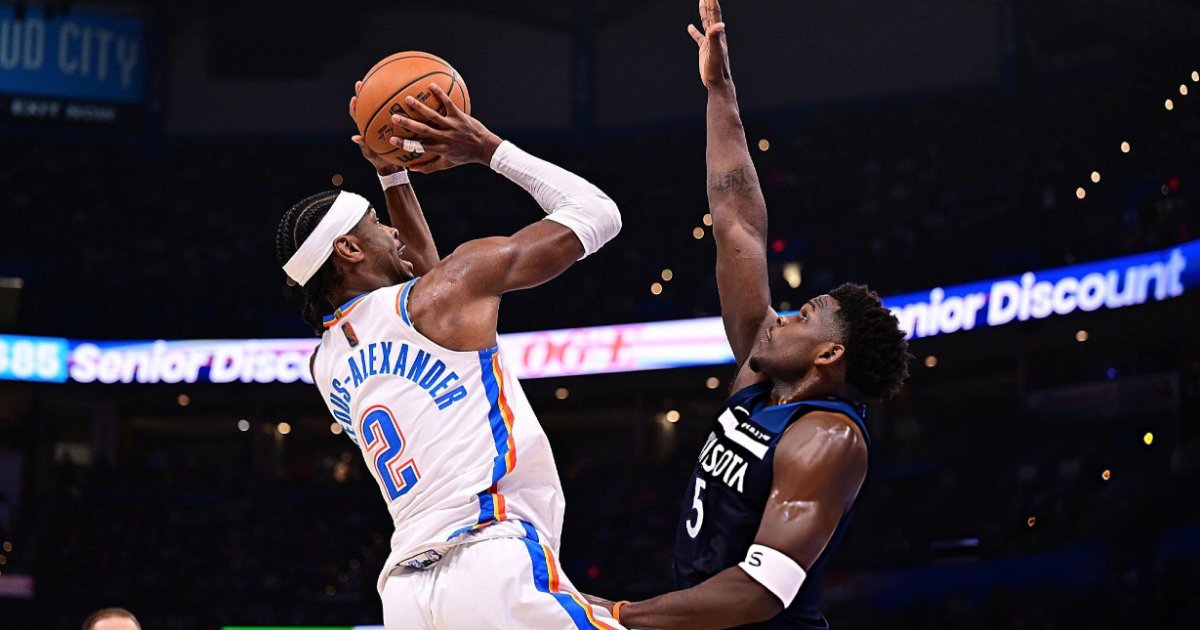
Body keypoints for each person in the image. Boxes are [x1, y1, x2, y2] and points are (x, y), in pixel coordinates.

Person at [590, 2, 911, 628]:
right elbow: (736, 219)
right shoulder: (760, 381)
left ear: (829, 355)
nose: (784, 317)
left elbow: (760, 593)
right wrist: (719, 89)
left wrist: (621, 615)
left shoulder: (829, 438)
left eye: (804, 315)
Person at [275, 84, 624, 629]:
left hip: (407, 594)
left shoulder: (326, 365)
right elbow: (598, 213)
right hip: (488, 552)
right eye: (376, 225)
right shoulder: (444, 294)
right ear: (348, 248)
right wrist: (487, 148)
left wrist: (393, 177)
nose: (392, 230)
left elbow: (424, 281)